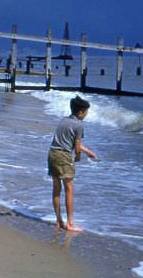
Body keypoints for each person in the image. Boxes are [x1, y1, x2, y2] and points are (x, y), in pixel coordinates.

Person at [47, 96, 98, 232]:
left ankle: (59, 220)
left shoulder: (64, 121)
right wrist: (78, 156)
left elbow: (68, 141)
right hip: (64, 156)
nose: (86, 114)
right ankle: (70, 223)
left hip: (52, 153)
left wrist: (88, 152)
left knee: (56, 188)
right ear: (80, 112)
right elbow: (76, 147)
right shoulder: (79, 125)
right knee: (69, 189)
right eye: (86, 112)